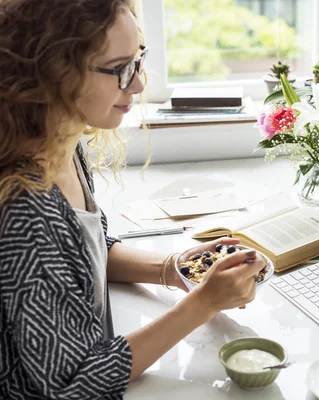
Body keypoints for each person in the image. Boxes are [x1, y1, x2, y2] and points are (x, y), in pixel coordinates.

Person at [0, 1, 265, 398]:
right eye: (120, 68)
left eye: (138, 60)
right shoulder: (24, 210)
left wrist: (174, 268)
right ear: (55, 73)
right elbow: (71, 383)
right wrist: (204, 304)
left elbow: (82, 258)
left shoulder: (63, 144)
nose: (139, 84)